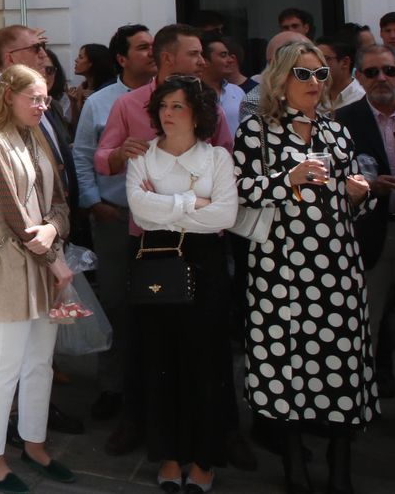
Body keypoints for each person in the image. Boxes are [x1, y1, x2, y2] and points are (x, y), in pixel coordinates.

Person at [234, 41, 376, 493]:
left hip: (338, 266)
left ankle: (340, 464)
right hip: (279, 268)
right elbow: (240, 191)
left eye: (320, 74)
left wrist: (359, 194)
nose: (314, 82)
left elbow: (354, 200)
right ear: (280, 80)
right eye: (303, 74)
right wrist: (287, 180)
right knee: (285, 364)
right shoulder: (256, 131)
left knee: (341, 361)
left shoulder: (337, 132)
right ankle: (293, 464)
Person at [0, 64, 75, 492]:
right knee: (5, 364)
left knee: (40, 362)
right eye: (34, 98)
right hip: (10, 269)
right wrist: (52, 253)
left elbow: (60, 204)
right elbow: (12, 216)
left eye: (46, 98)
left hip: (44, 264)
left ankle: (34, 445)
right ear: (9, 96)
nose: (42, 105)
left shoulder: (38, 137)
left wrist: (52, 231)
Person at [126, 75, 239, 494]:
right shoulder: (143, 156)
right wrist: (194, 203)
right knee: (161, 360)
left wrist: (166, 207)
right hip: (156, 263)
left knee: (206, 363)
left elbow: (225, 216)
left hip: (206, 266)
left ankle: (205, 459)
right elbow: (140, 211)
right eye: (163, 105)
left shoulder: (217, 158)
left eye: (178, 106)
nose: (168, 113)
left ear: (198, 113)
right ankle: (170, 456)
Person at [335, 44, 395, 410]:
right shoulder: (342, 120)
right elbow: (336, 180)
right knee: (364, 322)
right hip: (369, 232)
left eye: (389, 71)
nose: (382, 79)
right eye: (371, 72)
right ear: (358, 77)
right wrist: (368, 188)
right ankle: (358, 402)